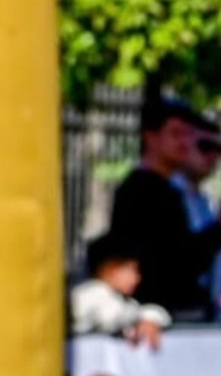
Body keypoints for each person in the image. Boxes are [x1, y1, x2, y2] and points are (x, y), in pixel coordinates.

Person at [109, 96, 221, 321]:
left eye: (189, 135)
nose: (185, 143)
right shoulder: (141, 190)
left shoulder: (171, 191)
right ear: (151, 137)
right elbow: (176, 263)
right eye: (176, 134)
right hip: (154, 317)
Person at [71, 233, 171, 349]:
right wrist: (143, 318)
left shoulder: (117, 298)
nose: (138, 278)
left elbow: (150, 312)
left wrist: (149, 318)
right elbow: (112, 317)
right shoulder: (90, 294)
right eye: (133, 270)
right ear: (111, 269)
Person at [170, 117, 221, 320]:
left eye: (218, 149)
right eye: (205, 146)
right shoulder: (169, 195)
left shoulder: (206, 200)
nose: (213, 156)